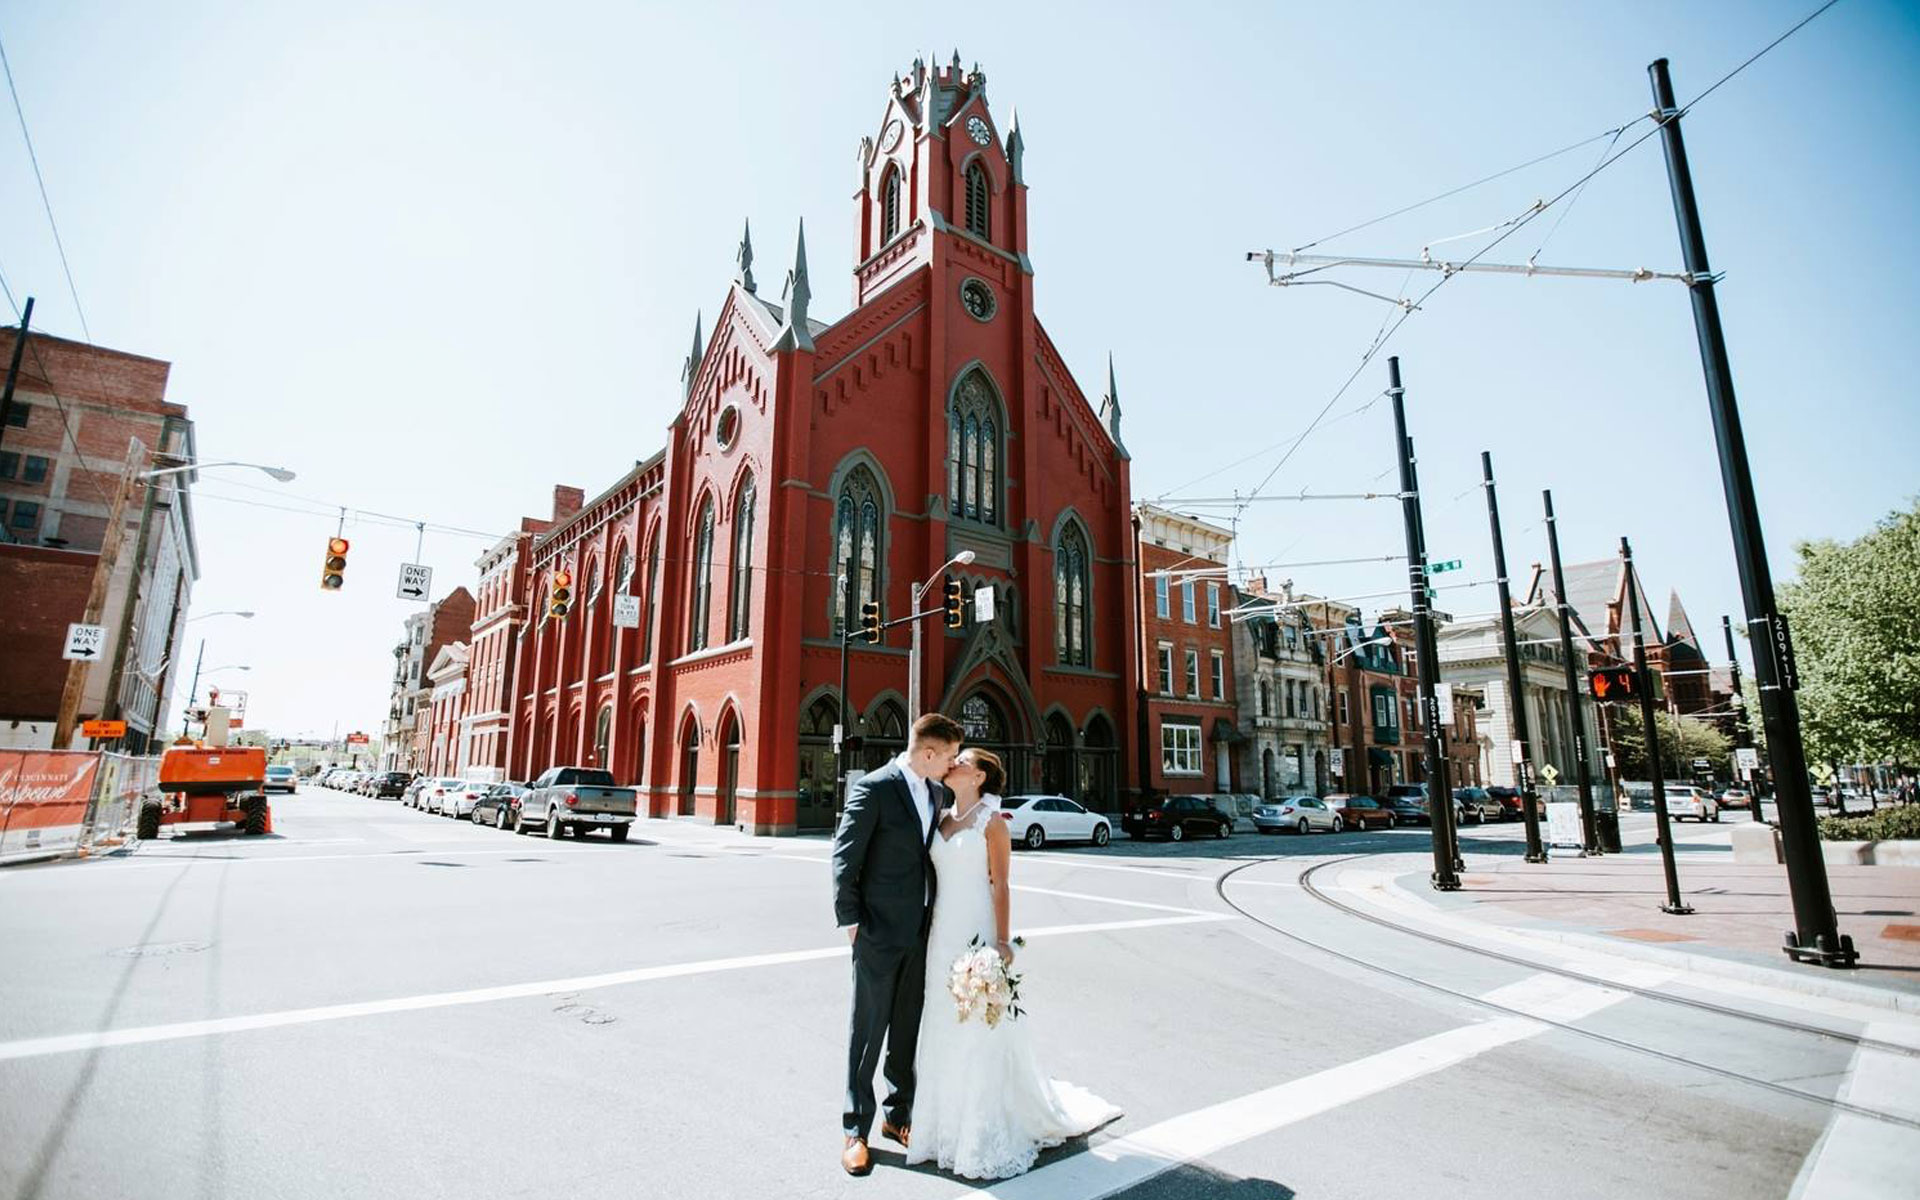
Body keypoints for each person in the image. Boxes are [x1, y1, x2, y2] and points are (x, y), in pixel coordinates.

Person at [906, 746, 1122, 1179]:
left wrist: (1002, 942)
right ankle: (942, 1125)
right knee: (943, 1023)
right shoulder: (942, 818)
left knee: (980, 1026)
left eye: (963, 760)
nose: (954, 763)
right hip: (942, 935)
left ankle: (980, 1128)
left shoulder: (994, 825)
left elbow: (1001, 885)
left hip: (976, 930)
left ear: (980, 776)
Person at [831, 712, 964, 1177]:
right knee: (867, 1034)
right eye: (948, 756)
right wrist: (851, 921)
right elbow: (845, 857)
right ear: (928, 753)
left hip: (921, 932)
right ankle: (855, 1129)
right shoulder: (874, 787)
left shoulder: (935, 791)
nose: (952, 764)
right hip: (878, 930)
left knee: (906, 1029)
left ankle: (897, 1117)